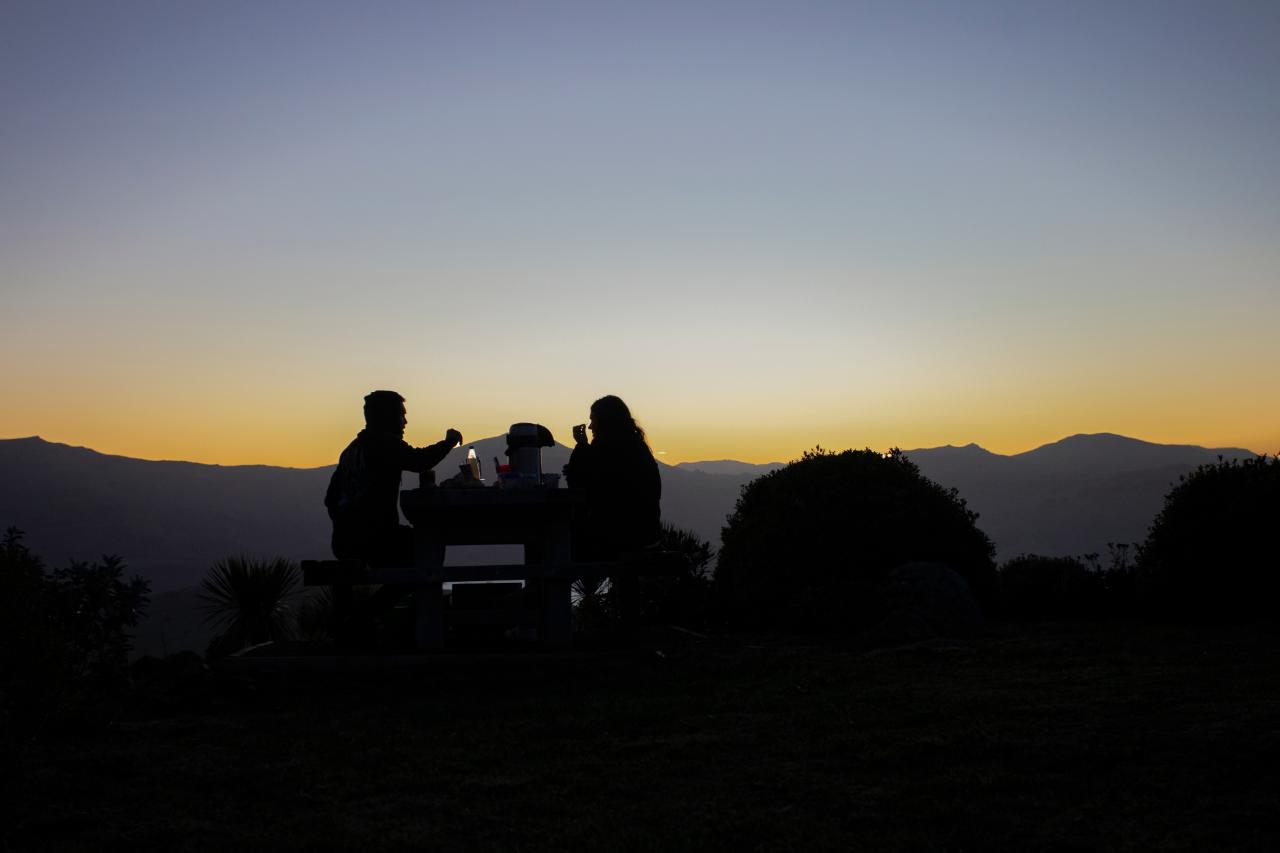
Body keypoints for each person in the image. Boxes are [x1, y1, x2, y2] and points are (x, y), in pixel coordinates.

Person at [325, 390, 462, 567]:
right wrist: (449, 442)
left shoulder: (352, 450)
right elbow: (419, 460)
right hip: (377, 541)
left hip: (343, 544)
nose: (405, 422)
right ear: (386, 417)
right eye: (401, 414)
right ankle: (407, 595)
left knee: (418, 551)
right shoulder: (383, 444)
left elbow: (330, 499)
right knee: (429, 547)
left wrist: (347, 525)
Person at [564, 395, 662, 560]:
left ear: (605, 421)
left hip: (622, 537)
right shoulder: (635, 446)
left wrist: (581, 446)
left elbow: (580, 484)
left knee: (558, 542)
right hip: (647, 535)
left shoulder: (609, 449)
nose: (590, 426)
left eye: (593, 420)